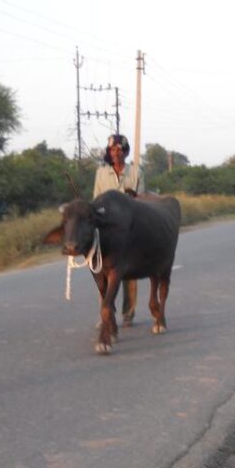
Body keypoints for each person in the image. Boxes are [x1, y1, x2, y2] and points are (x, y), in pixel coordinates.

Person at [93, 133, 143, 326]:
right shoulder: (101, 173)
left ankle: (128, 313)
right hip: (107, 230)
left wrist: (133, 197)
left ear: (125, 151)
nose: (116, 153)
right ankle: (106, 314)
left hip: (129, 228)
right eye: (112, 150)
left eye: (119, 150)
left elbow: (140, 200)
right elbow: (96, 200)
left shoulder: (136, 172)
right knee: (104, 275)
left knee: (129, 271)